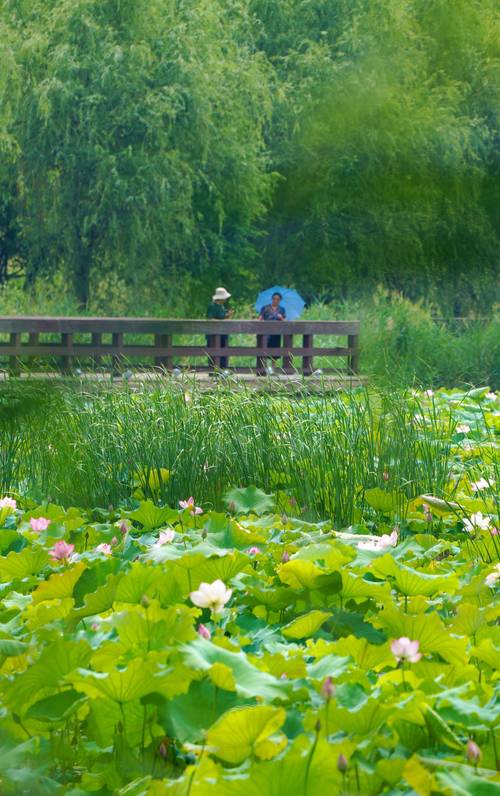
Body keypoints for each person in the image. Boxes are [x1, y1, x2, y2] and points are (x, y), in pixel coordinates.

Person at [207, 287, 233, 368]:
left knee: (224, 351)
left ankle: (223, 368)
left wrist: (228, 315)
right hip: (213, 332)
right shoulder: (212, 306)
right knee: (213, 351)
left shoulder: (222, 306)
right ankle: (213, 369)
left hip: (223, 333)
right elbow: (210, 318)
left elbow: (223, 317)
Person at [258, 292, 286, 363]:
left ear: (280, 300)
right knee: (265, 348)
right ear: (272, 299)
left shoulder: (281, 309)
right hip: (266, 332)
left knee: (275, 351)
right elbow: (260, 318)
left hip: (276, 333)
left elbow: (284, 321)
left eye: (277, 299)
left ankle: (273, 369)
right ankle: (265, 367)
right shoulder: (265, 308)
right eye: (274, 299)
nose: (275, 300)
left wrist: (281, 318)